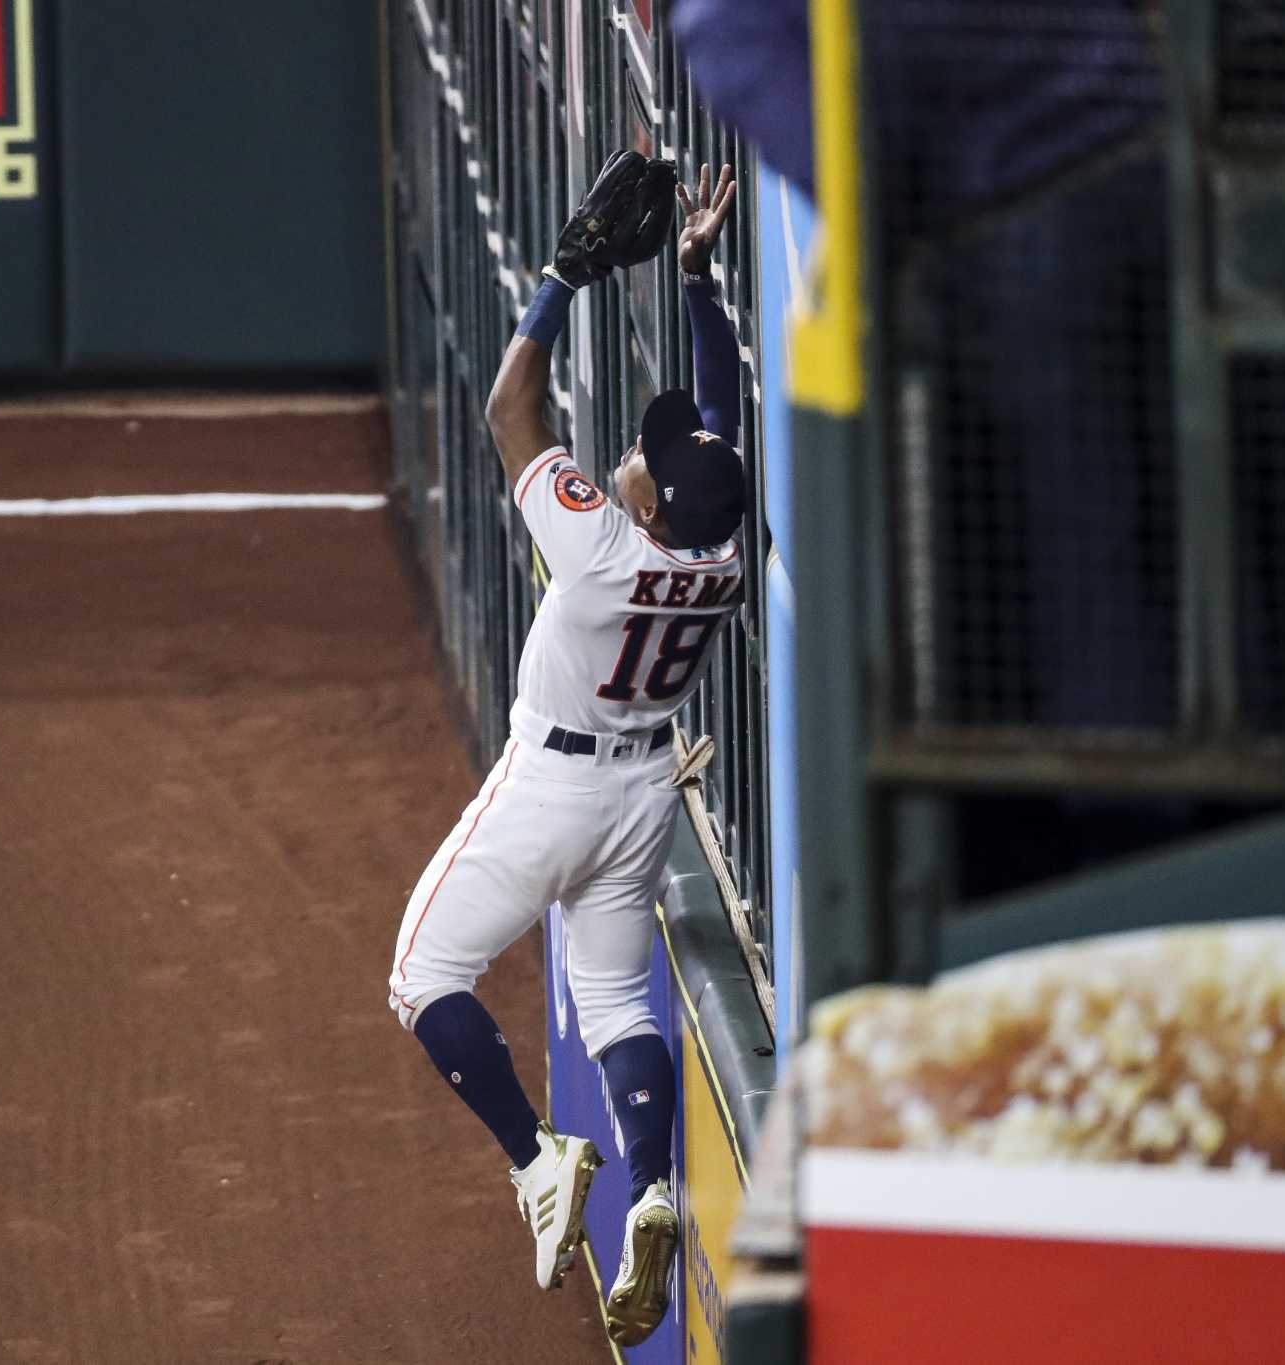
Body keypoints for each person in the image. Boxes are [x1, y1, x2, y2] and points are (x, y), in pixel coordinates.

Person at [386, 163, 744, 1348]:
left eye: (644, 458)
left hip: (553, 783)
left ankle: (537, 1161)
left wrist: (558, 280)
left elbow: (507, 411)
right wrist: (694, 279)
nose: (635, 453)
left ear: (643, 504)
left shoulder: (598, 546)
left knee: (421, 979)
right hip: (644, 795)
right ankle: (649, 1186)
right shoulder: (718, 558)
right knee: (607, 997)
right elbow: (716, 441)